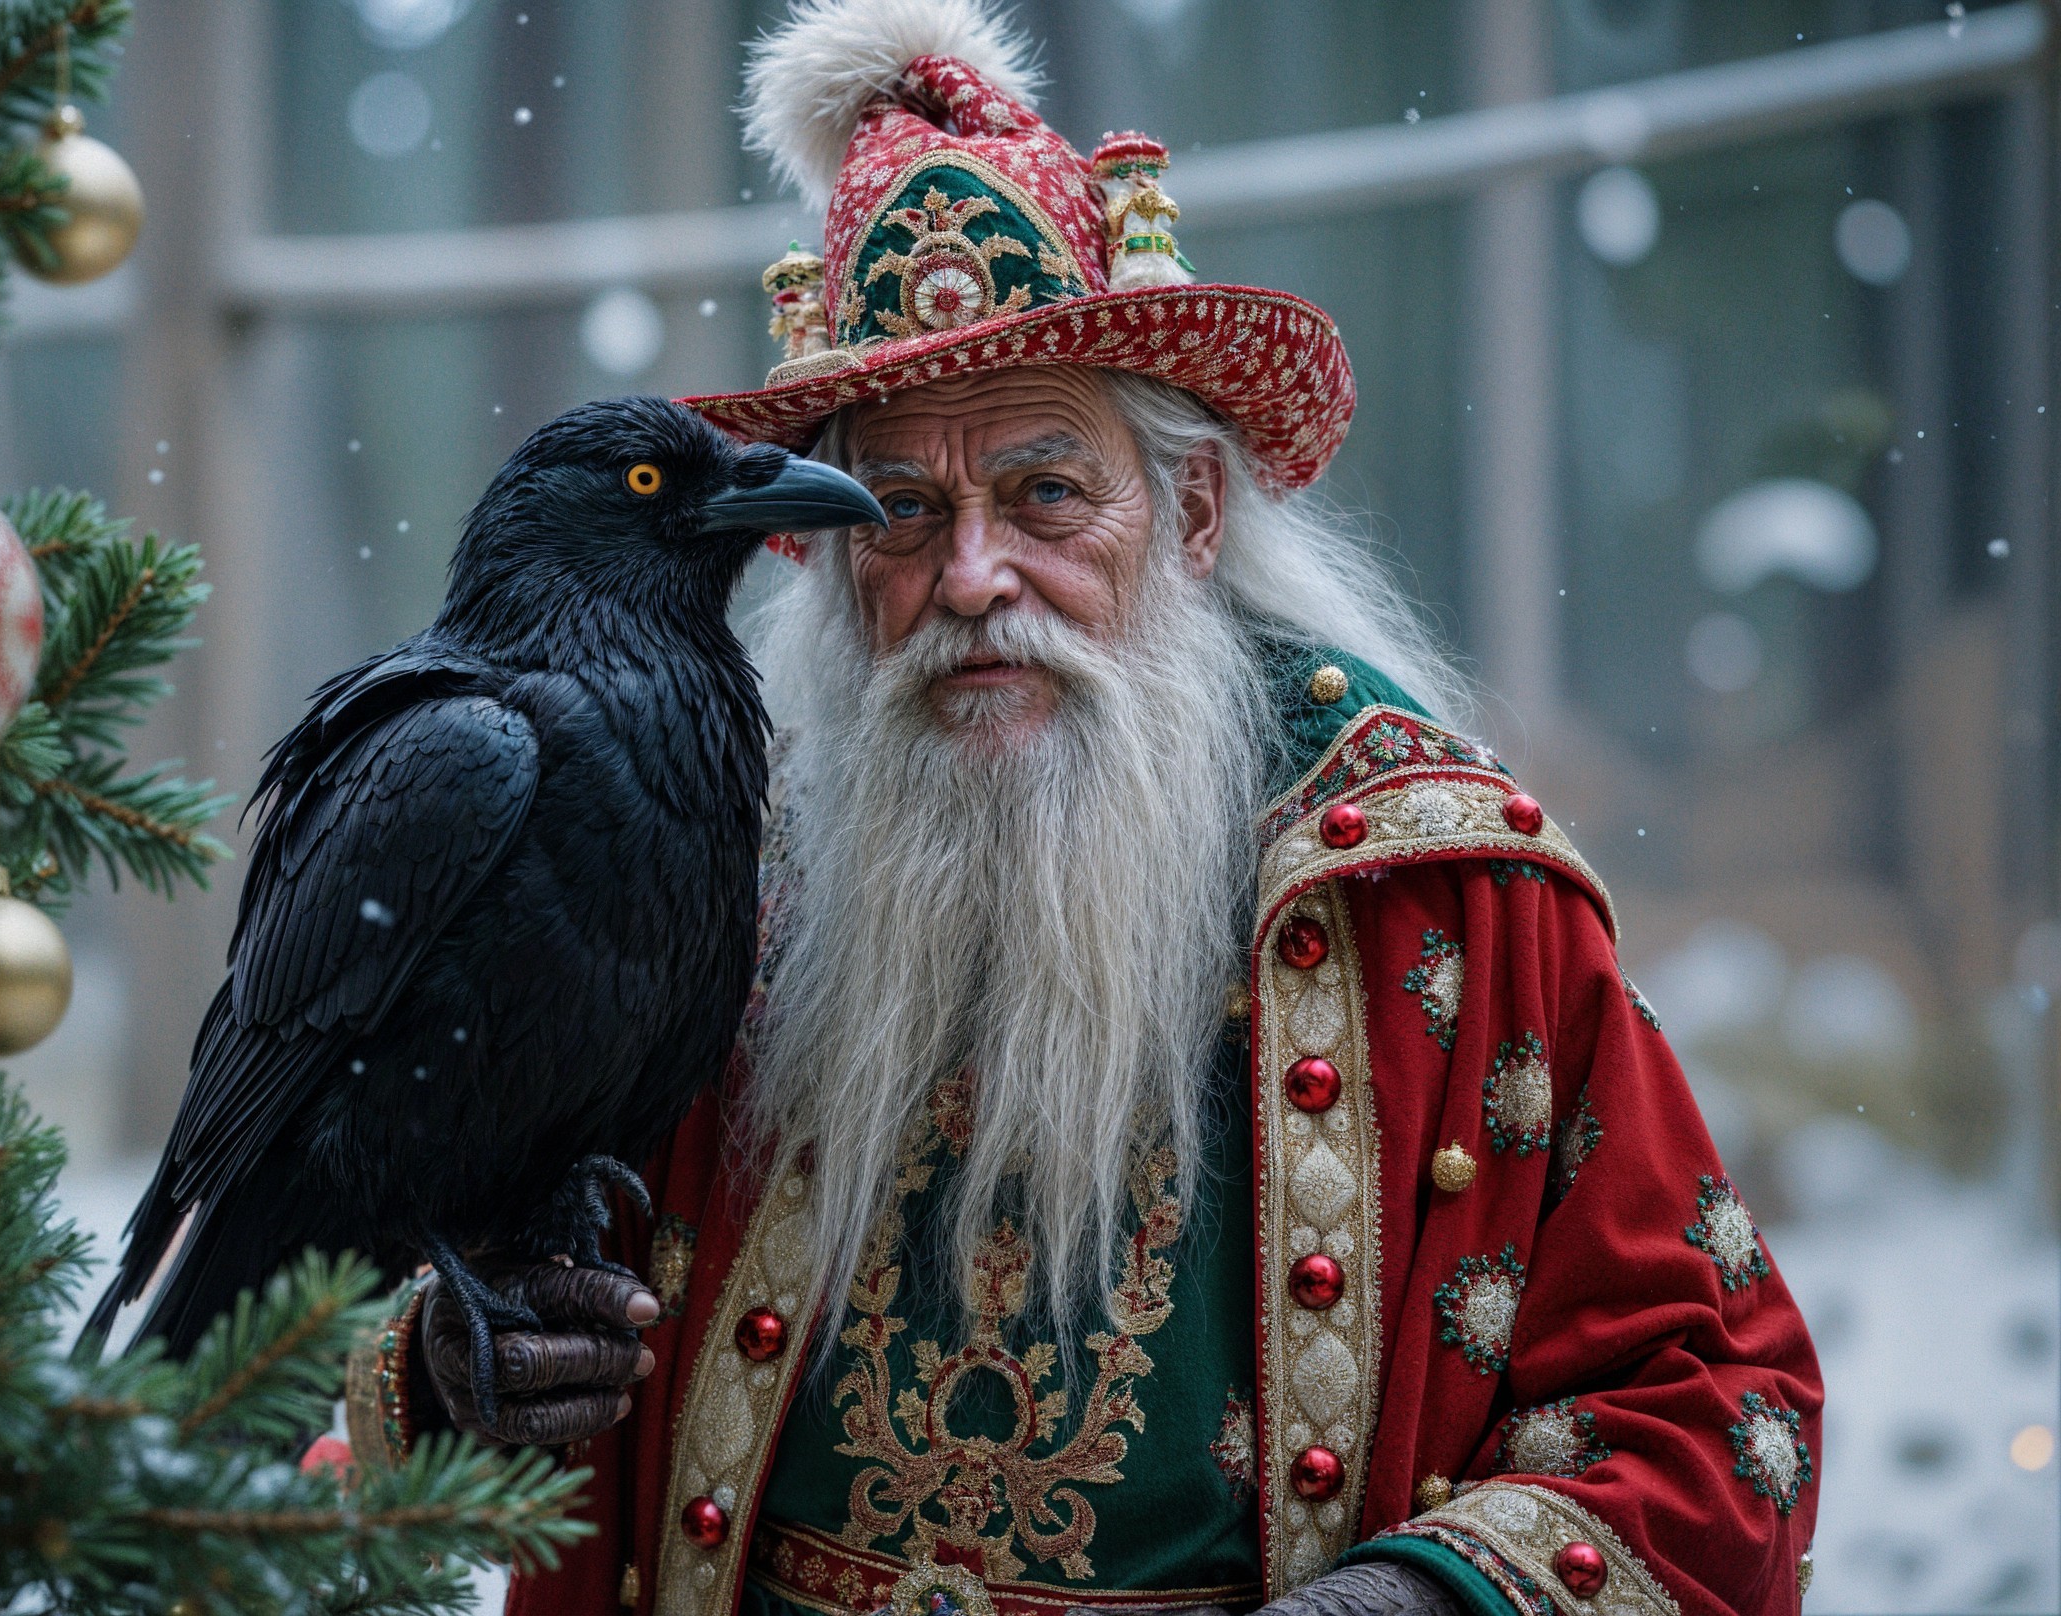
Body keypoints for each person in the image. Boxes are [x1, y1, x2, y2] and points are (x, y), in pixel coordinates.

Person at [342, 5, 1822, 1613]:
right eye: (902, 510)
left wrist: (1410, 1602)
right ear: (831, 561)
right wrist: (464, 1358)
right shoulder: (708, 869)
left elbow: (1716, 1408)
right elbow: (402, 1276)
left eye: (1046, 493)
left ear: (1191, 510)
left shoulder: (1439, 893)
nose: (974, 576)